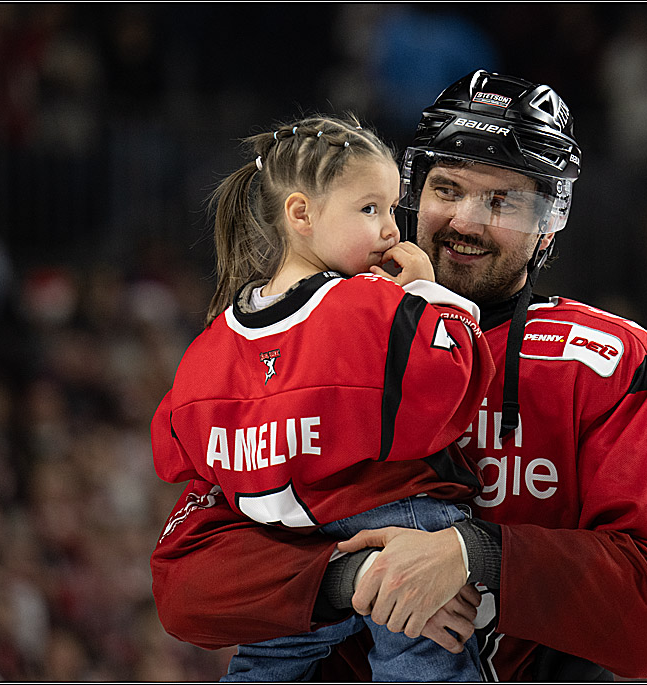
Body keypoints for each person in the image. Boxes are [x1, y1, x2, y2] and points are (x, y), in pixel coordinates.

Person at [150, 72, 647, 681]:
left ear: (551, 221)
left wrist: (472, 554)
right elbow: (187, 581)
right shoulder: (315, 336)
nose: (466, 221)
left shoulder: (611, 362)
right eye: (446, 189)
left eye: (502, 201)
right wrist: (355, 579)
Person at [149, 114, 497, 681]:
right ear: (302, 214)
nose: (391, 231)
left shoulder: (209, 347)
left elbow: (174, 448)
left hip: (289, 552)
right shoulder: (368, 305)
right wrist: (430, 295)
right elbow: (450, 388)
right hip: (403, 523)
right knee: (423, 664)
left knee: (263, 663)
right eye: (370, 209)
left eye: (391, 209)